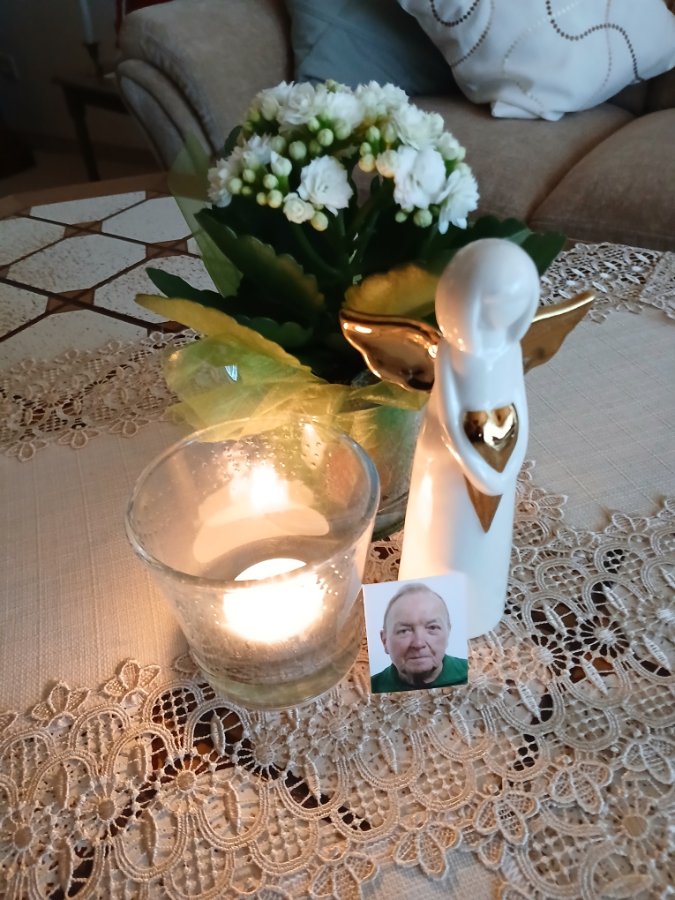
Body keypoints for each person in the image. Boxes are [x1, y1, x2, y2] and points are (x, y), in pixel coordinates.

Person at [370, 583, 467, 693]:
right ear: (384, 641)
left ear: (448, 633)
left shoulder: (474, 674)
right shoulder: (369, 689)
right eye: (404, 631)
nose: (418, 644)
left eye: (432, 627)